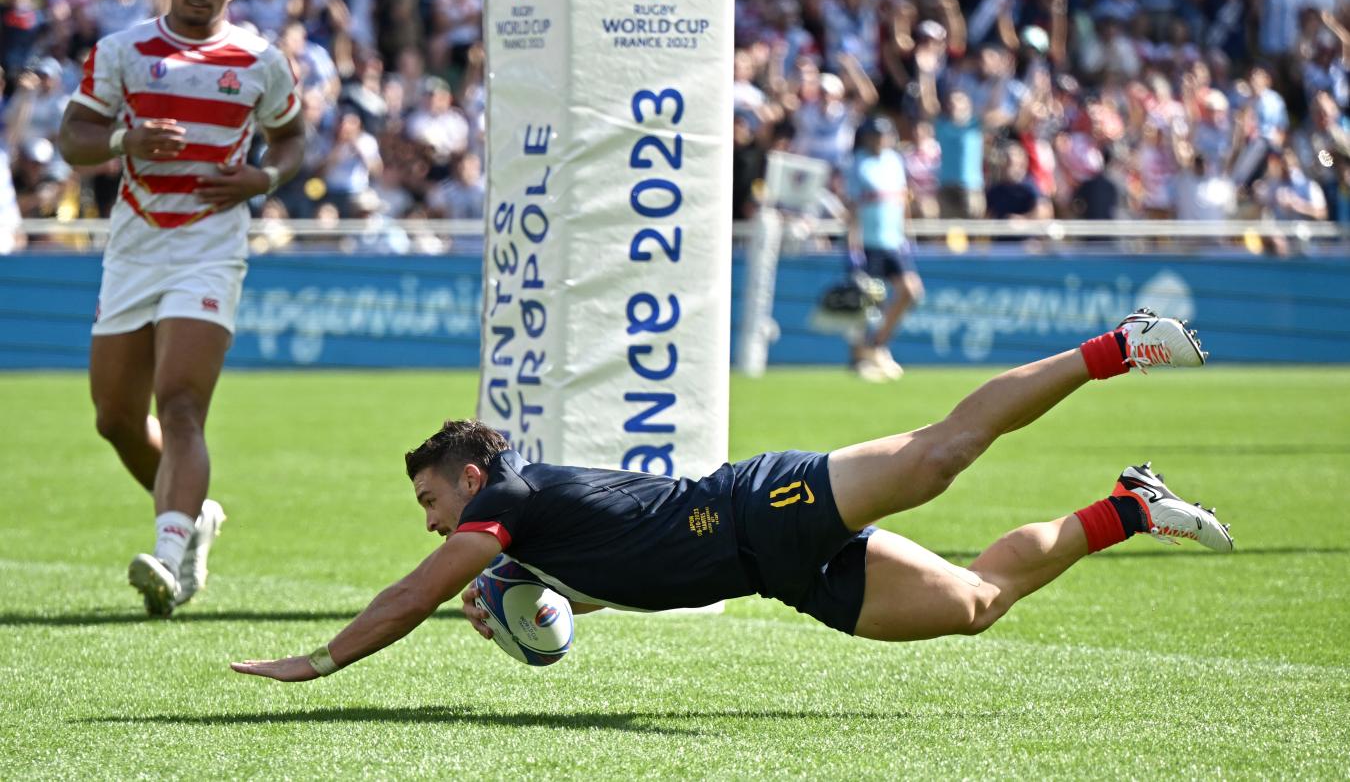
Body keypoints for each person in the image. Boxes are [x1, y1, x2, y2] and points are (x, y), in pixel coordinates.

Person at [231, 310, 1232, 682]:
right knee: (974, 607)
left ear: (471, 479)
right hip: (774, 572)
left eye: (430, 497)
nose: (429, 517)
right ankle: (1129, 508)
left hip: (769, 504)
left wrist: (316, 661)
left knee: (936, 458)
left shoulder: (512, 505)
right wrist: (531, 602)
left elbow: (405, 598)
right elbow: (625, 571)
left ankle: (1115, 348)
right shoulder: (520, 543)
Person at [56, 0, 305, 617]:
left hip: (210, 246)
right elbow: (71, 136)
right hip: (135, 248)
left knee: (182, 403)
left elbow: (291, 137)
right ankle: (196, 520)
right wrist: (120, 139)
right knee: (114, 419)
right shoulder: (123, 51)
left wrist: (264, 177)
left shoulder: (259, 59)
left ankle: (168, 558)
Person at [843, 115, 923, 382]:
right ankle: (861, 356)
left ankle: (876, 345)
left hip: (893, 242)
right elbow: (852, 208)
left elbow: (902, 202)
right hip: (869, 243)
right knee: (867, 303)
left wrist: (907, 235)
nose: (881, 140)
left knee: (910, 291)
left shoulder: (895, 161)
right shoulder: (857, 164)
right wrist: (852, 247)